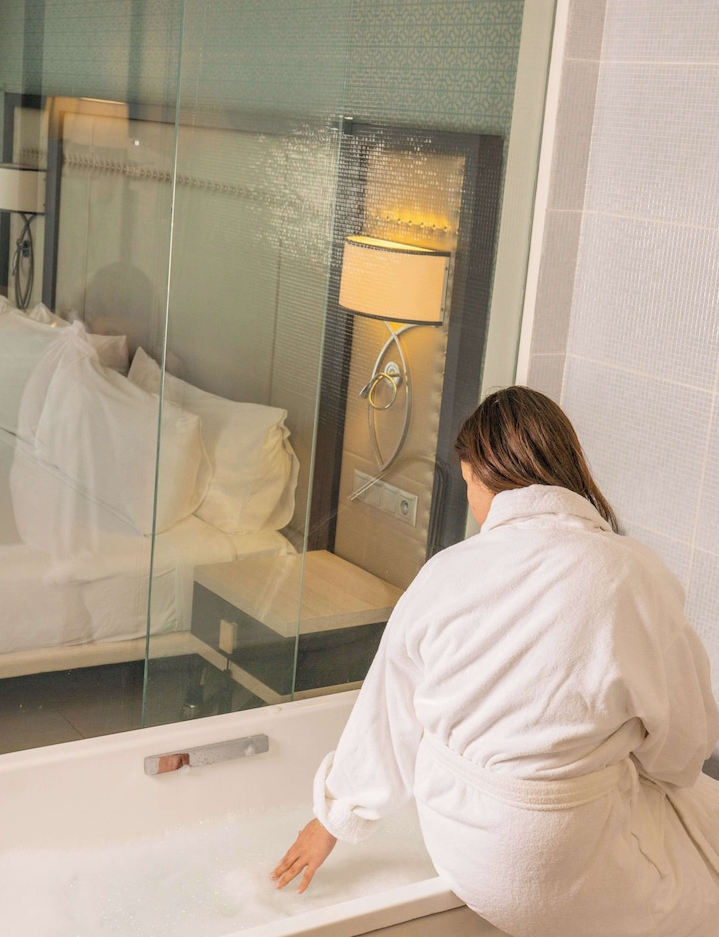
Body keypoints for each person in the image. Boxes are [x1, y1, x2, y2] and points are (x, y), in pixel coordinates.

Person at [272, 386, 719, 937]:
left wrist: (331, 821)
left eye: (469, 486)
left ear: (488, 479)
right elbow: (684, 749)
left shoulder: (444, 573)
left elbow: (388, 717)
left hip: (459, 845)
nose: (473, 507)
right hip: (564, 858)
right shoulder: (631, 574)